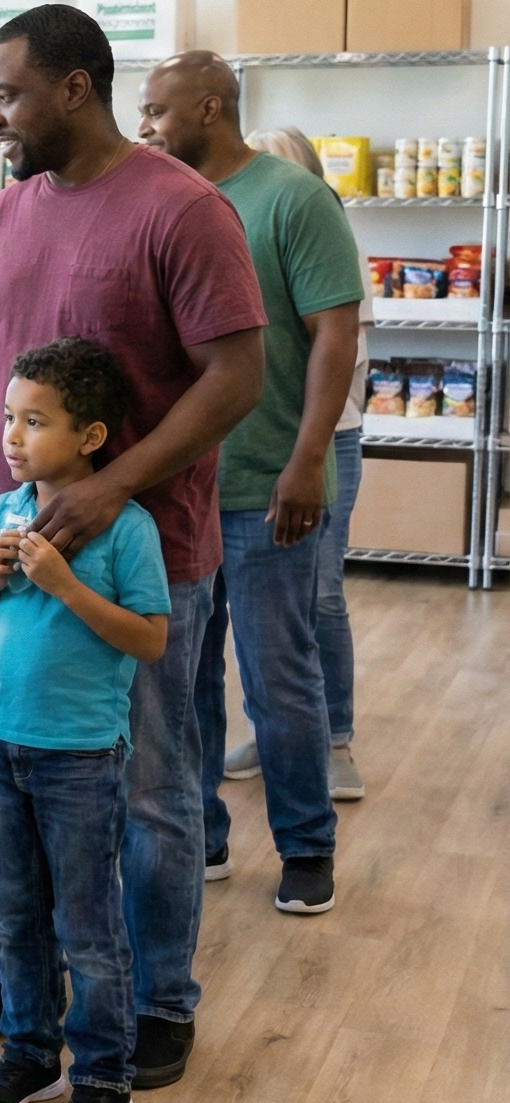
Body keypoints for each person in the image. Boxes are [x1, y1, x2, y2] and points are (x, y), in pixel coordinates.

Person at [0, 5, 265, 1093]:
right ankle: (31, 986)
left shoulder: (182, 209)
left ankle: (158, 997)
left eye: (8, 93)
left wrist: (108, 487)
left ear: (75, 88)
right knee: (21, 786)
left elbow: (235, 376)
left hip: (144, 553)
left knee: (150, 793)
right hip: (14, 554)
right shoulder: (5, 214)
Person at [137, 56, 360, 917]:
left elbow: (332, 337)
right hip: (180, 491)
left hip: (270, 486)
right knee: (183, 678)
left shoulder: (296, 199)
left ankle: (306, 845)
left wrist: (309, 460)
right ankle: (202, 833)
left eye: (158, 110)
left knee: (279, 675)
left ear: (211, 106)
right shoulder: (164, 197)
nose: (147, 126)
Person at [0, 337, 170, 1103]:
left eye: (35, 421)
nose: (12, 436)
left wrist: (64, 584)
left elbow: (150, 639)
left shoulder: (125, 530)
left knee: (87, 925)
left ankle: (103, 1069)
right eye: (9, 417)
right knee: (14, 918)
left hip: (78, 756)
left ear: (90, 437)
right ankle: (29, 1052)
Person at [229, 127, 369, 804]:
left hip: (323, 442)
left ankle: (333, 738)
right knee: (264, 636)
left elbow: (338, 351)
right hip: (253, 454)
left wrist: (306, 455)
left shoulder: (317, 229)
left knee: (319, 599)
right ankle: (277, 734)